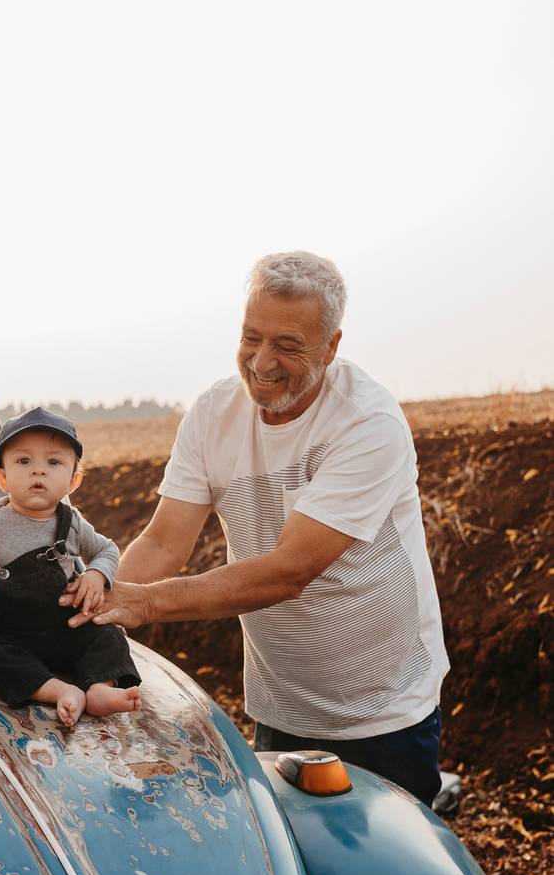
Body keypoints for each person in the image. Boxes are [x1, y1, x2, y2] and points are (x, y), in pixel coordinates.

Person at [63, 252, 449, 805]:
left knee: (383, 871)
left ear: (332, 347)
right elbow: (167, 539)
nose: (262, 361)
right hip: (281, 702)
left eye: (288, 345)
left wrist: (143, 604)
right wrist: (91, 599)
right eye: (251, 337)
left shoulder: (368, 423)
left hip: (382, 710)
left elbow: (289, 572)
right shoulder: (213, 413)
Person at [0, 407, 141, 727]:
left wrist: (96, 574)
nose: (39, 471)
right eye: (24, 461)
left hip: (64, 629)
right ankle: (59, 690)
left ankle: (99, 688)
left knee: (108, 636)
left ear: (73, 481)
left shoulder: (71, 523)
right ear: (1, 478)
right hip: (8, 635)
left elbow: (107, 549)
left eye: (53, 462)